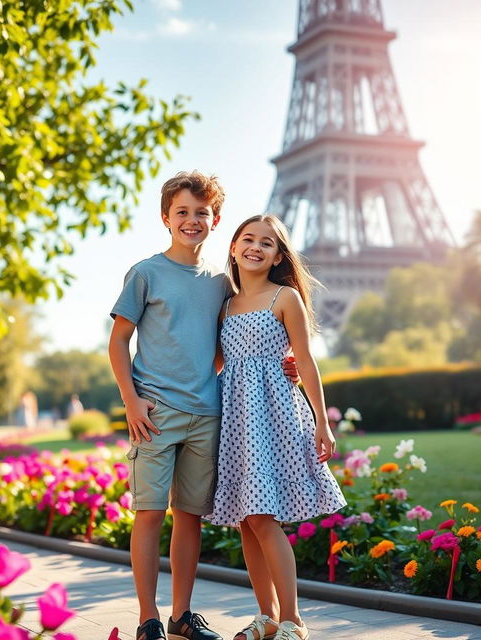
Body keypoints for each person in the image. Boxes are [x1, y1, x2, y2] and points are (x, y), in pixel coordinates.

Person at [109, 172, 299, 640]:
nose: (192, 220)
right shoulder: (146, 273)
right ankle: (147, 618)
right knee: (150, 513)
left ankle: (180, 617)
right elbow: (118, 343)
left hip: (208, 414)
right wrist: (132, 402)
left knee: (189, 516)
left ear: (216, 222)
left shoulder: (219, 284)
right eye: (182, 212)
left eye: (201, 212)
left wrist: (282, 365)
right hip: (153, 414)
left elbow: (225, 345)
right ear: (165, 218)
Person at [206, 215, 347, 640]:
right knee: (247, 520)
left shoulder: (285, 297)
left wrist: (323, 421)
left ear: (278, 256)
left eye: (266, 243)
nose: (255, 247)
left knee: (264, 517)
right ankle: (266, 616)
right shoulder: (224, 305)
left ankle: (293, 620)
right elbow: (216, 363)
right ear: (232, 248)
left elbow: (305, 360)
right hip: (236, 420)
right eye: (247, 239)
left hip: (275, 417)